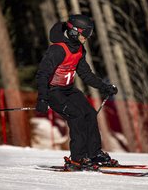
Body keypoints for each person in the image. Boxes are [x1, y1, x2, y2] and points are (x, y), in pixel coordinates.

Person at [35, 14, 118, 170]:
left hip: (69, 90)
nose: (87, 37)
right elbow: (42, 74)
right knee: (77, 115)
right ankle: (77, 158)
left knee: (90, 113)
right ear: (74, 32)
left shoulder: (79, 49)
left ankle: (94, 154)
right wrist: (42, 98)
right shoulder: (57, 50)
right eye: (85, 33)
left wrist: (104, 87)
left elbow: (85, 74)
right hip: (53, 92)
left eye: (89, 33)